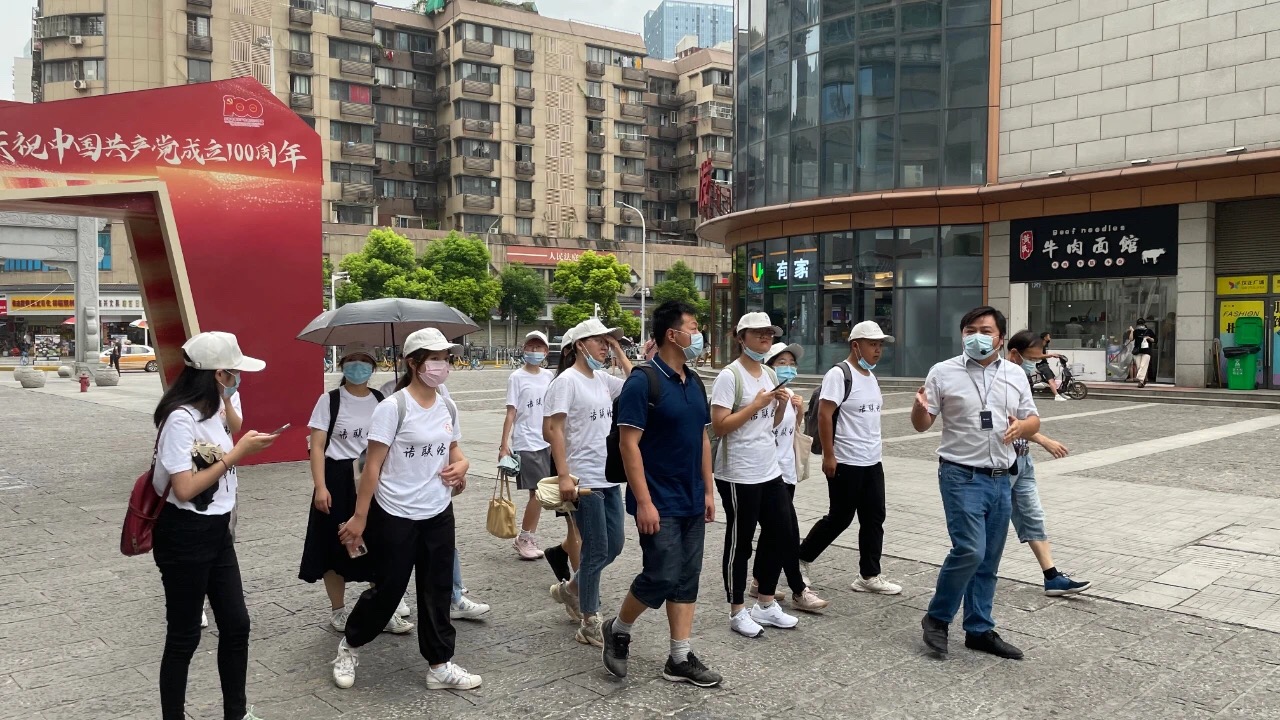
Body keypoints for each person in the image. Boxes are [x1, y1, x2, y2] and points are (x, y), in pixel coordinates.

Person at [330, 328, 481, 691]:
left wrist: (462, 466)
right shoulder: (392, 407)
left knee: (437, 590)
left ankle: (439, 664)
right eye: (434, 358)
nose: (442, 365)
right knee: (388, 590)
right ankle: (350, 646)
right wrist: (360, 518)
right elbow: (372, 467)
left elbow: (453, 450)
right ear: (413, 363)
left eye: (445, 358)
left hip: (437, 511)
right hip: (395, 513)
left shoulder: (447, 405)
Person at [150, 331, 277, 720]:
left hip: (217, 528)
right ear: (219, 375)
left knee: (237, 625)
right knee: (184, 635)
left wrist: (237, 441)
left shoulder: (214, 410)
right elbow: (184, 488)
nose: (240, 378)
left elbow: (226, 441)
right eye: (235, 372)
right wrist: (237, 454)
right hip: (184, 533)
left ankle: (236, 713)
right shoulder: (180, 418)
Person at [601, 302, 721, 686]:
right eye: (694, 328)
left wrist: (708, 490)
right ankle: (618, 628)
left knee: (687, 576)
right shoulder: (643, 381)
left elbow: (702, 437)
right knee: (662, 574)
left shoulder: (694, 381)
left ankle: (679, 657)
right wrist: (644, 502)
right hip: (657, 499)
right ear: (673, 334)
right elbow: (628, 445)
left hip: (691, 496)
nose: (699, 335)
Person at [912, 306, 1040, 660]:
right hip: (961, 475)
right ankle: (937, 618)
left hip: (1002, 478)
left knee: (989, 560)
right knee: (970, 550)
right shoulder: (943, 372)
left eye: (985, 330)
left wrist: (1022, 427)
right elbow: (922, 424)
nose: (977, 336)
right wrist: (919, 407)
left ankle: (979, 629)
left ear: (1000, 337)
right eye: (970, 330)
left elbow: (1033, 420)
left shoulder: (1015, 374)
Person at [300, 342, 414, 635]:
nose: (358, 366)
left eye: (364, 361)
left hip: (372, 478)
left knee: (380, 544)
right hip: (337, 480)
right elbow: (317, 446)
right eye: (352, 360)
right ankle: (338, 611)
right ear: (342, 365)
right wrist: (320, 486)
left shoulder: (382, 400)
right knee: (333, 544)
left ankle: (383, 611)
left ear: (373, 367)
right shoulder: (330, 400)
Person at [543, 318, 633, 647]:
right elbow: (551, 429)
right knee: (595, 549)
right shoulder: (566, 382)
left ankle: (570, 589)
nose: (605, 347)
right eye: (600, 341)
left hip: (607, 475)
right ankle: (590, 620)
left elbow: (637, 382)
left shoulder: (602, 380)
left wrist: (619, 350)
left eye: (608, 342)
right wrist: (564, 474)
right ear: (580, 345)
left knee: (615, 545)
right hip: (583, 479)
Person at [799, 320, 902, 596]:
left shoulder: (871, 376)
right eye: (872, 344)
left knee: (874, 518)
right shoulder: (839, 374)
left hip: (872, 460)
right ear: (856, 346)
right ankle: (801, 558)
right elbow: (824, 415)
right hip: (846, 460)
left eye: (880, 345)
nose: (878, 350)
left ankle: (869, 575)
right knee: (840, 518)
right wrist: (829, 456)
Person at [711, 312, 797, 638]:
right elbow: (720, 425)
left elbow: (770, 424)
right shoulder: (729, 376)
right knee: (741, 541)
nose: (765, 337)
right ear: (741, 337)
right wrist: (756, 404)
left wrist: (779, 404)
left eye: (769, 333)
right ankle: (737, 610)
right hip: (738, 472)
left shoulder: (770, 373)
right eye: (758, 333)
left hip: (769, 467)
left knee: (781, 532)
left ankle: (766, 603)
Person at [1005, 331, 1092, 597]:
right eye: (1032, 358)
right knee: (988, 523)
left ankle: (1052, 577)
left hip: (1023, 459)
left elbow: (1025, 420)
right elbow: (1010, 422)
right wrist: (1045, 440)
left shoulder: (1020, 377)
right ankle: (968, 573)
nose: (1035, 364)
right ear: (1014, 354)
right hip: (1000, 463)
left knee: (1033, 516)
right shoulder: (1001, 378)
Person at [750, 342, 830, 611]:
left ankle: (759, 580)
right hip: (768, 474)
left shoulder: (792, 394)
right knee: (788, 531)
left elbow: (791, 433)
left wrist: (799, 412)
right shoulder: (763, 396)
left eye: (791, 363)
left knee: (773, 531)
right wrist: (781, 407)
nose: (788, 368)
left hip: (788, 471)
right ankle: (799, 589)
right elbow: (766, 429)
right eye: (781, 363)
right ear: (769, 366)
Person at [500, 331, 554, 561]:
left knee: (541, 492)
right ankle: (524, 538)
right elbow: (511, 412)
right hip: (526, 440)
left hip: (546, 439)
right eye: (530, 346)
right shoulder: (517, 377)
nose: (534, 350)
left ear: (546, 351)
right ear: (523, 349)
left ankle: (528, 536)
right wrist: (504, 444)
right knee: (538, 492)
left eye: (538, 347)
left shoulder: (549, 376)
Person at [1035, 332, 1068, 401]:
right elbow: (1039, 356)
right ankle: (1057, 396)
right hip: (1041, 365)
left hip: (1044, 364)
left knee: (1053, 379)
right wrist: (1052, 355)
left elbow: (1044, 356)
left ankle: (1060, 393)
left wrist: (1053, 355)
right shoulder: (1040, 345)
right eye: (1049, 336)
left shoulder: (1043, 345)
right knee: (1051, 380)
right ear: (1045, 338)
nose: (1050, 338)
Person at [1131, 318, 1157, 388]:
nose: (1140, 326)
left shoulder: (1149, 331)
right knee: (1139, 367)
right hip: (1137, 351)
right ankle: (1143, 379)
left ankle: (1141, 381)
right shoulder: (1136, 331)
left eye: (1141, 324)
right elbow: (1131, 339)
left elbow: (1154, 340)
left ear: (1144, 324)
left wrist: (1149, 338)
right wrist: (1132, 331)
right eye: (1139, 324)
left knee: (1143, 366)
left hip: (1147, 351)